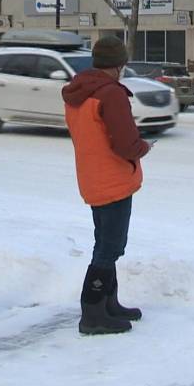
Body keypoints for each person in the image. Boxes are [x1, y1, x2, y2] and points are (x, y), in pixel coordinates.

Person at [62, 36, 151, 335]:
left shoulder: (81, 91)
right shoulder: (110, 94)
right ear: (118, 64)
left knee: (105, 243)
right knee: (109, 247)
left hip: (92, 177)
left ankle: (109, 304)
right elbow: (125, 144)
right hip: (113, 179)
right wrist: (143, 147)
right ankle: (93, 313)